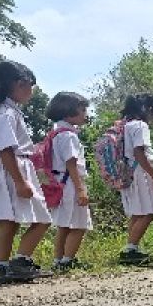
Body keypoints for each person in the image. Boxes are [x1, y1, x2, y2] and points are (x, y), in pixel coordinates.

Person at [0, 61, 52, 287]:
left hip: (9, 168)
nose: (32, 92)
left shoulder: (1, 112)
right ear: (19, 84)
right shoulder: (5, 113)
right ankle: (21, 261)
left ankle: (0, 268)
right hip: (13, 169)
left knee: (9, 223)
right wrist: (20, 182)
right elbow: (6, 148)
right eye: (31, 86)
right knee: (42, 219)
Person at [45, 92, 93, 271]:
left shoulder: (56, 132)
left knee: (64, 224)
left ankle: (59, 260)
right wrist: (80, 189)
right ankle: (68, 260)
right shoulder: (69, 136)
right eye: (82, 110)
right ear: (69, 112)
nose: (85, 114)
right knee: (79, 224)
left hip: (60, 182)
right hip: (71, 183)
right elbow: (71, 162)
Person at [119, 93, 153, 266]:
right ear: (148, 109)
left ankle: (131, 247)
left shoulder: (126, 125)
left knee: (138, 212)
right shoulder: (140, 126)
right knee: (150, 211)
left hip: (129, 171)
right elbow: (140, 153)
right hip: (141, 171)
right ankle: (131, 249)